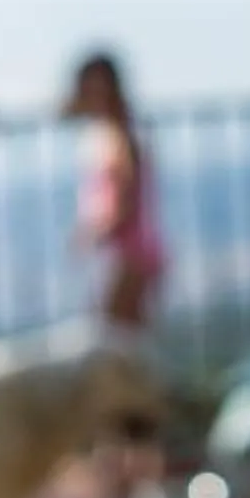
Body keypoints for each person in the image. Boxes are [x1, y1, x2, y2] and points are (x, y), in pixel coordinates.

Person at [64, 51, 165, 332]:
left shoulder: (119, 133)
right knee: (123, 339)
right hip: (125, 250)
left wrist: (96, 230)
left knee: (115, 341)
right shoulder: (110, 130)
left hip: (128, 250)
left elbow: (125, 194)